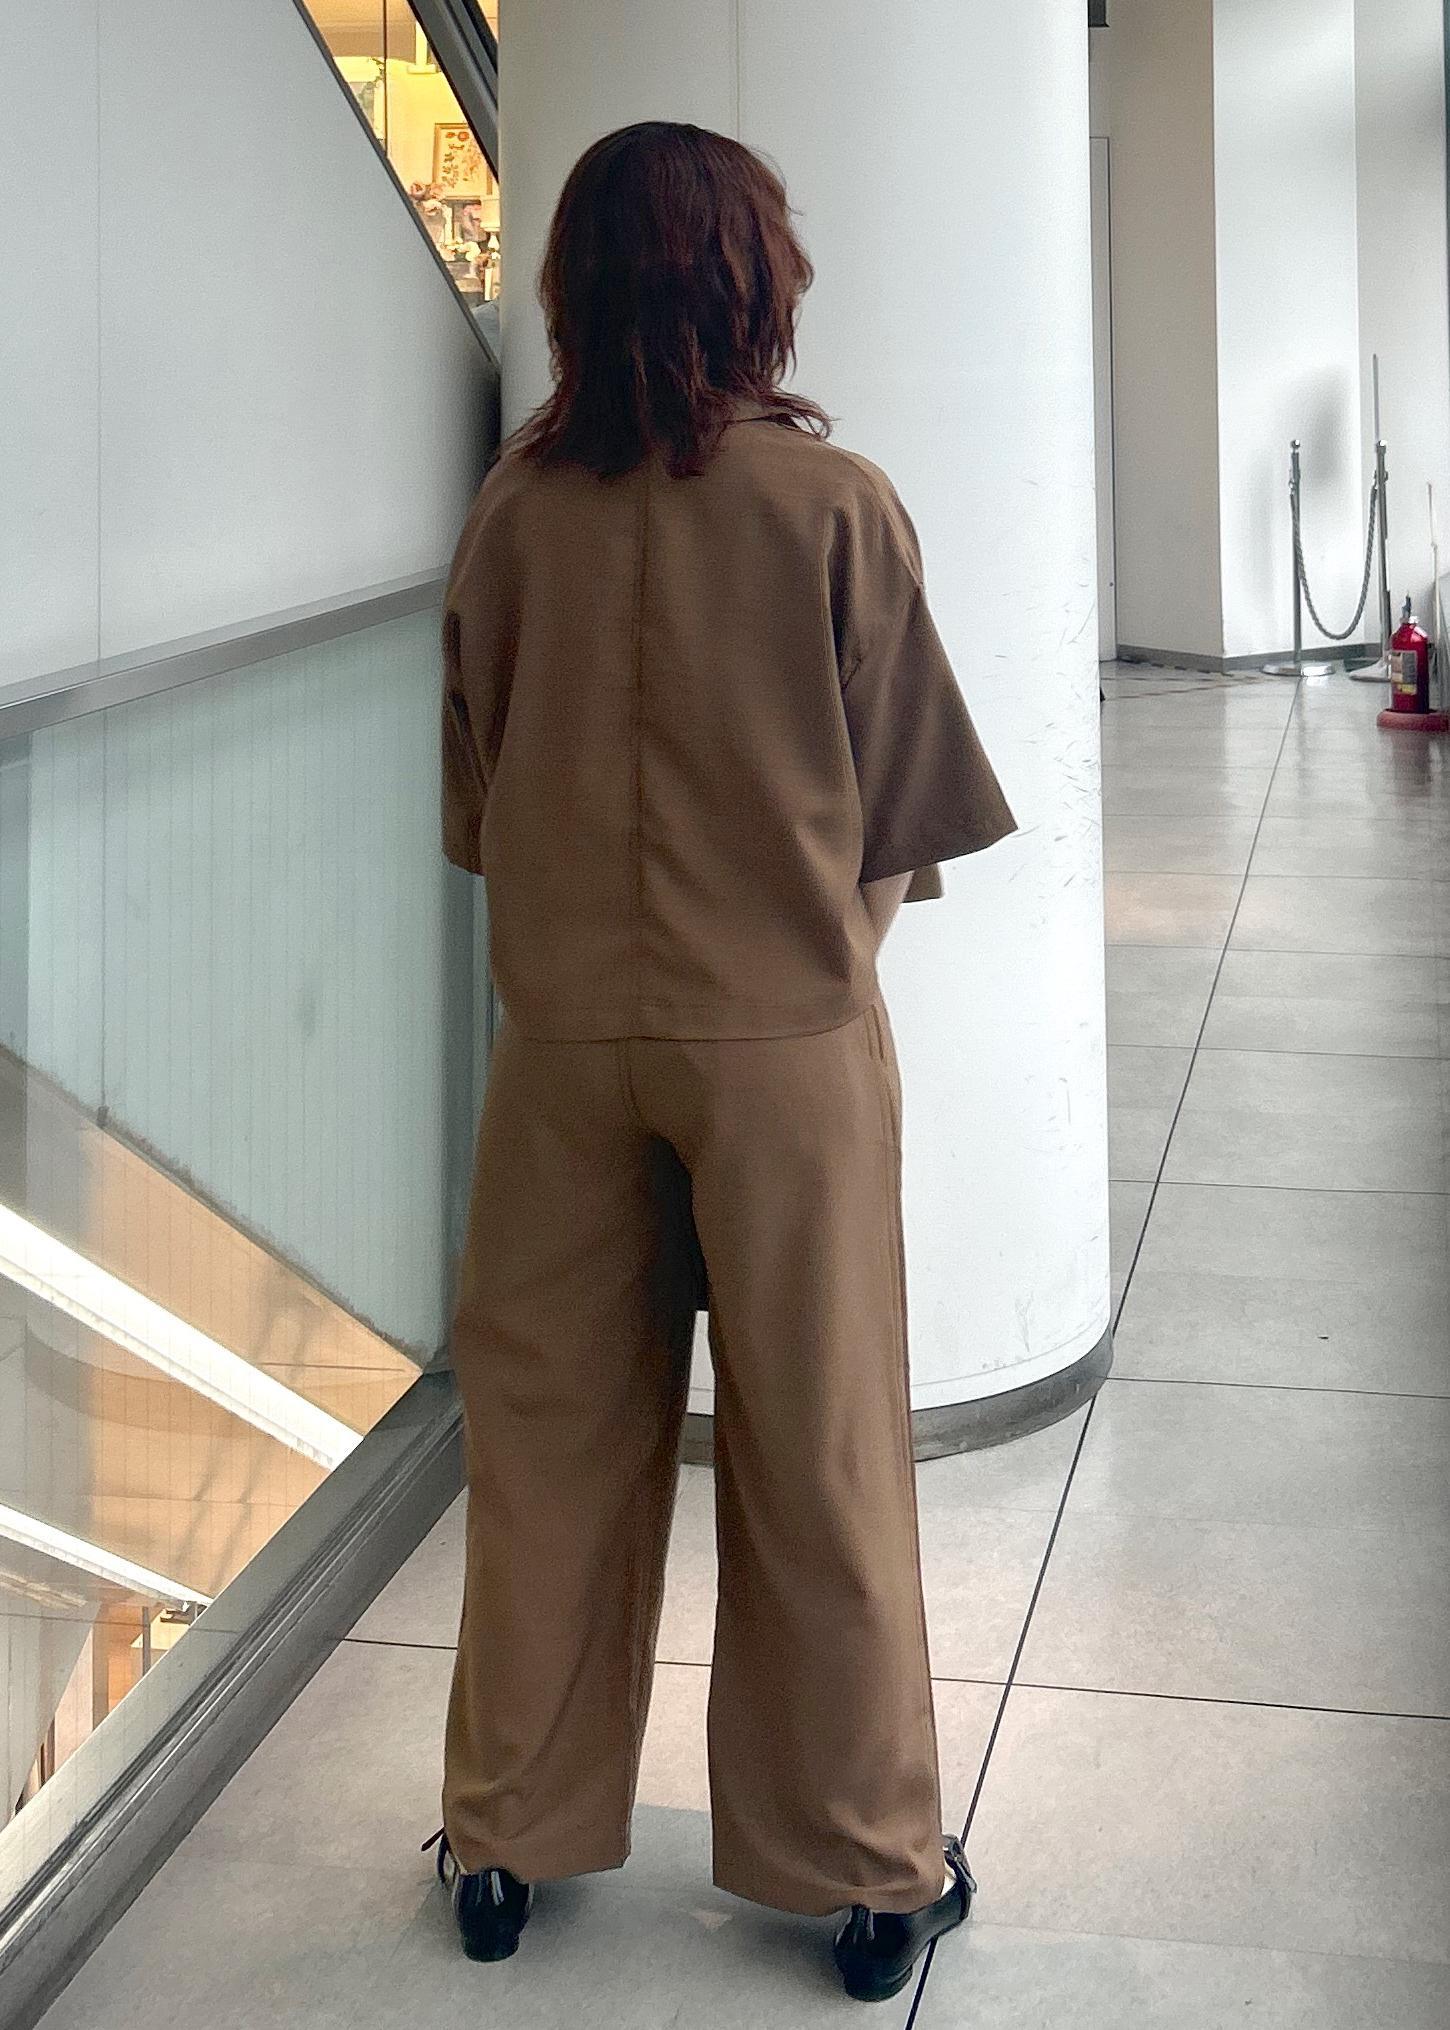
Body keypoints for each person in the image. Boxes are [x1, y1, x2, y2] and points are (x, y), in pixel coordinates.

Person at [426, 120, 1016, 2005]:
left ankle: (503, 1831)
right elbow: (902, 812)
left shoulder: (513, 514)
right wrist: (805, 956)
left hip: (560, 1051)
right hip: (782, 1049)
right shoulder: (833, 505)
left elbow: (478, 806)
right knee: (819, 1449)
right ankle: (862, 1865)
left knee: (546, 1445)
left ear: (574, 291)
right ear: (754, 283)